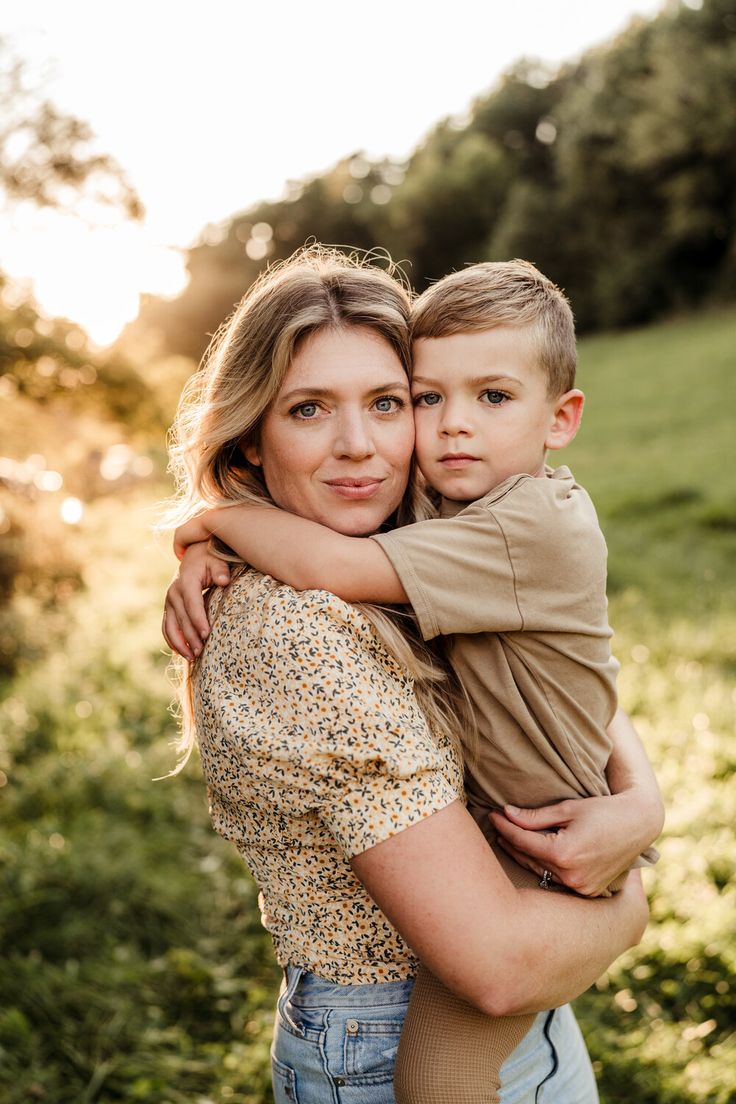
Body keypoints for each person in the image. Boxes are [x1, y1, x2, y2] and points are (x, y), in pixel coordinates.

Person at [163, 246, 661, 1104]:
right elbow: (498, 968)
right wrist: (634, 902)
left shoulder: (441, 535)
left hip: (533, 992)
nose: (359, 446)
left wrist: (640, 806)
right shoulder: (296, 630)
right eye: (310, 409)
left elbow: (576, 674)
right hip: (392, 1030)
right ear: (252, 432)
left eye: (389, 403)